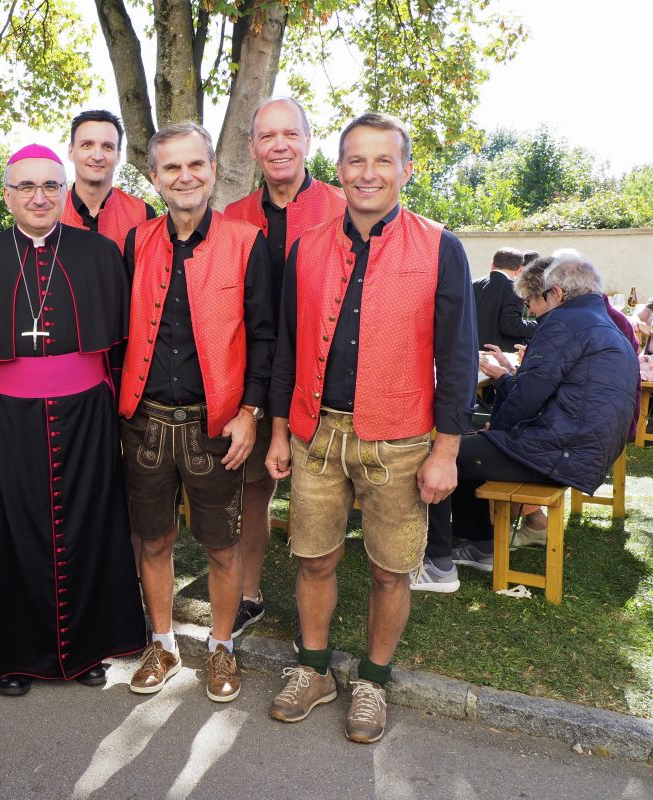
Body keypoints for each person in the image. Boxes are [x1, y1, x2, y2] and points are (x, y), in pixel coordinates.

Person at [265, 113, 477, 743]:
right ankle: (314, 669)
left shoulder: (440, 246)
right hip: (316, 433)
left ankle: (374, 679)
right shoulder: (306, 248)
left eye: (383, 160)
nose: (368, 172)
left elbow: (460, 356)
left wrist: (447, 451)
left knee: (390, 569)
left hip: (404, 438)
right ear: (338, 169)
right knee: (313, 559)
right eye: (356, 160)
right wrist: (279, 432)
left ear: (406, 170)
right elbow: (286, 349)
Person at [0, 143, 145, 697]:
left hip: (87, 416)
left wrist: (119, 422)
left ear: (64, 191)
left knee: (89, 527)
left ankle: (86, 651)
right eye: (27, 187)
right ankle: (13, 653)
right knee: (12, 534)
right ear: (7, 194)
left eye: (51, 186)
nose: (40, 197)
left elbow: (122, 352)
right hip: (5, 419)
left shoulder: (100, 255)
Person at [119, 121, 276, 703]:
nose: (185, 177)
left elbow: (264, 337)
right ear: (155, 178)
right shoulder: (136, 243)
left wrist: (251, 412)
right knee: (153, 540)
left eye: (196, 165)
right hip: (146, 421)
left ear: (212, 170)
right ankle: (162, 643)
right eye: (172, 168)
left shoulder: (246, 242)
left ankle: (221, 649)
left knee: (222, 546)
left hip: (218, 426)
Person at [419, 254, 637, 581]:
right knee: (470, 445)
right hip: (581, 451)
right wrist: (497, 427)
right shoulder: (603, 323)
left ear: (558, 294)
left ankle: (437, 565)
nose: (531, 312)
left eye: (534, 300)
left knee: (442, 454)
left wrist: (499, 430)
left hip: (562, 452)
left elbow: (528, 397)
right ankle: (481, 547)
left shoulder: (564, 322)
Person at [221, 96, 347, 637]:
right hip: (253, 370)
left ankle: (317, 597)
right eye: (267, 136)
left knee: (327, 488)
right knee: (253, 485)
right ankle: (248, 591)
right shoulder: (233, 217)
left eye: (289, 134)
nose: (278, 145)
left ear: (308, 140)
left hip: (323, 369)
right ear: (252, 148)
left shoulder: (343, 207)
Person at [61, 109, 156, 253]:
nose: (97, 156)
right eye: (87, 145)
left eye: (107, 147)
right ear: (71, 152)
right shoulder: (51, 211)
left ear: (118, 156)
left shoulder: (143, 214)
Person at [473, 247, 538, 352]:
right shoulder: (513, 288)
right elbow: (510, 325)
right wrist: (542, 325)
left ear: (492, 264)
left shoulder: (473, 284)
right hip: (500, 356)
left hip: (472, 352)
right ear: (519, 270)